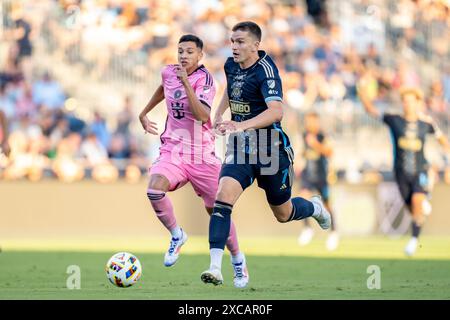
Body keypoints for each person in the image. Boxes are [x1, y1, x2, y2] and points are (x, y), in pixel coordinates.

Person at [200, 21, 331, 288]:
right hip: (240, 147)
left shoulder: (267, 72)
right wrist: (219, 112)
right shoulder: (230, 65)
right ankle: (215, 266)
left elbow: (276, 112)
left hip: (271, 148)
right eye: (232, 41)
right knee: (222, 196)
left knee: (283, 213)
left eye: (240, 42)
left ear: (255, 46)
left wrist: (240, 124)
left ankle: (315, 207)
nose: (234, 46)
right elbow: (231, 88)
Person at [139, 35, 246, 280]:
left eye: (189, 52)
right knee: (154, 190)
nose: (183, 56)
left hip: (201, 155)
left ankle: (238, 259)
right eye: (180, 51)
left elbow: (202, 116)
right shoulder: (169, 72)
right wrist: (144, 112)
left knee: (218, 212)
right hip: (173, 150)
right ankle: (177, 234)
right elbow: (163, 88)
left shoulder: (206, 81)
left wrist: (186, 84)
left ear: (200, 55)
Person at [358, 83, 450, 256]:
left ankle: (413, 241)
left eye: (411, 101)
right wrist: (362, 92)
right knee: (413, 210)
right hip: (400, 173)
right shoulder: (395, 120)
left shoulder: (426, 124)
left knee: (416, 201)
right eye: (405, 101)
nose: (408, 104)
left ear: (418, 103)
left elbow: (444, 142)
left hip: (420, 170)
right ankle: (423, 205)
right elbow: (371, 110)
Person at [296, 111, 338, 250]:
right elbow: (299, 152)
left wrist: (315, 145)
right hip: (307, 175)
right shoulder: (303, 136)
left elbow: (330, 152)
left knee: (327, 204)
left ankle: (333, 232)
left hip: (321, 175)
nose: (309, 125)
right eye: (307, 122)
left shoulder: (323, 136)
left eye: (311, 122)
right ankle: (308, 229)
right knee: (303, 199)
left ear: (317, 122)